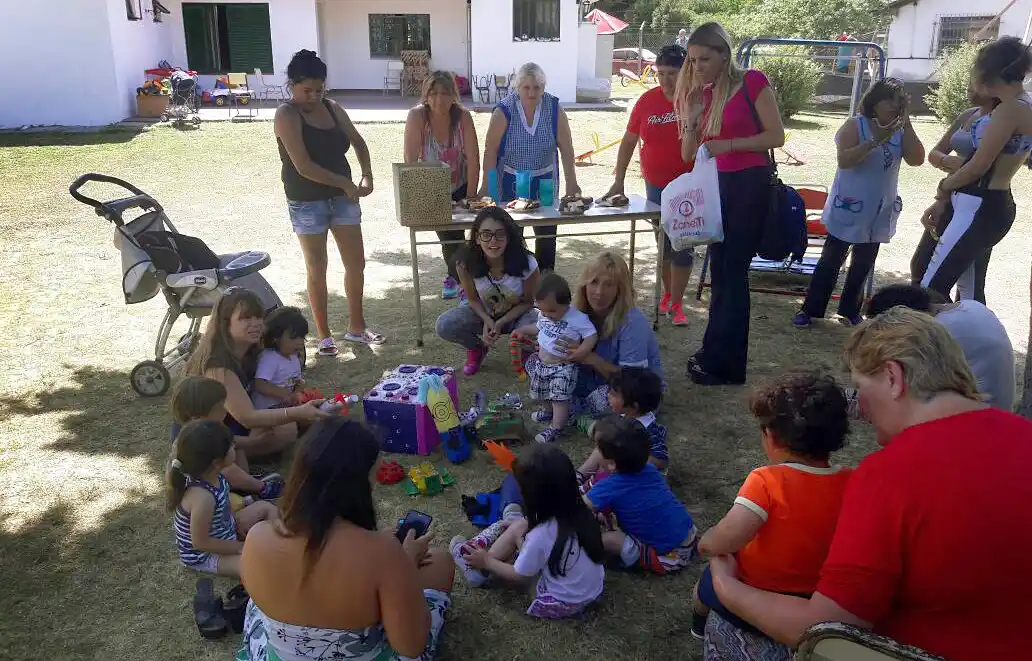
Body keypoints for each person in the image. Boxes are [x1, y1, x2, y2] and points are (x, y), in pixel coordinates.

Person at [707, 307, 1032, 661]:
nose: (860, 408)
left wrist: (726, 587)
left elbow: (825, 630)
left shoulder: (891, 475)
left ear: (893, 377)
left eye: (861, 388)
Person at [238, 418, 455, 661]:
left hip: (277, 654)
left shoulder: (257, 537)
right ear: (358, 484)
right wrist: (406, 567)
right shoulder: (383, 553)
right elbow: (411, 646)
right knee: (440, 562)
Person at [690, 372, 852, 661]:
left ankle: (699, 628)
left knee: (704, 586)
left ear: (772, 437)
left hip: (754, 593)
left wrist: (707, 542)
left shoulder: (766, 481)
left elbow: (729, 536)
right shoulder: (853, 481)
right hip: (816, 596)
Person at [675, 22, 786, 386]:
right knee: (719, 270)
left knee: (733, 271)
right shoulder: (704, 94)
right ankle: (714, 352)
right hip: (717, 187)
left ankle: (728, 364)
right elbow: (687, 154)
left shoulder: (752, 81)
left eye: (704, 59)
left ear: (724, 55)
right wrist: (692, 120)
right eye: (692, 60)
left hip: (749, 185)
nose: (697, 67)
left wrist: (730, 145)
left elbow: (777, 135)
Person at [793, 78, 925, 328]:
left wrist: (906, 123)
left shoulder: (901, 130)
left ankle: (850, 310)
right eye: (890, 101)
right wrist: (876, 141)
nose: (895, 106)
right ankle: (810, 310)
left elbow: (916, 160)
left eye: (899, 102)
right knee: (830, 262)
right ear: (875, 103)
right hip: (849, 207)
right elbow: (844, 161)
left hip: (879, 210)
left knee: (863, 264)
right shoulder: (855, 125)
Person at [275, 49, 383, 355]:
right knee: (317, 267)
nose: (313, 96)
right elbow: (303, 166)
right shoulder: (286, 114)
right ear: (292, 85)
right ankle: (324, 336)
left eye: (319, 90)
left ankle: (357, 328)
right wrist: (345, 184)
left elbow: (358, 142)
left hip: (343, 198)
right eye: (306, 90)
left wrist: (366, 175)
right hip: (306, 200)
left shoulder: (333, 108)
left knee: (356, 263)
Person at [916, 37, 1032, 301]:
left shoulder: (1010, 109)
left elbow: (978, 166)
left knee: (930, 287)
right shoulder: (1023, 104)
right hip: (989, 202)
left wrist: (944, 186)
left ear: (990, 70)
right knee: (969, 293)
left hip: (979, 203)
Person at [452, 444, 605, 620]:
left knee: (516, 538)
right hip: (591, 592)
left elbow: (520, 576)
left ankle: (479, 568)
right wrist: (521, 538)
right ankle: (484, 563)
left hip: (560, 602)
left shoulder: (541, 534)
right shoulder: (583, 511)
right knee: (519, 527)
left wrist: (487, 561)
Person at [604, 45, 696, 326]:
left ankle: (677, 304)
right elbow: (629, 141)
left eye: (672, 73)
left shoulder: (696, 100)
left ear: (685, 72)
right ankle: (667, 294)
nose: (666, 80)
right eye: (661, 73)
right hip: (655, 185)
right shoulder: (646, 101)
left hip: (688, 186)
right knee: (663, 243)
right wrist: (618, 180)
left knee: (684, 245)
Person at [183, 289, 328, 457]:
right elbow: (247, 417)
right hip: (207, 435)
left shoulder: (253, 350)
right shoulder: (218, 366)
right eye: (246, 318)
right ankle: (234, 454)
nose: (256, 323)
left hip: (238, 420)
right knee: (286, 429)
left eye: (259, 317)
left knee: (301, 420)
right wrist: (296, 412)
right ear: (225, 322)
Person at [914, 79, 1007, 303]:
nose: (969, 86)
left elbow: (985, 167)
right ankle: (933, 319)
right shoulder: (968, 115)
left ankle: (960, 321)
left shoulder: (1002, 119)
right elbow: (935, 153)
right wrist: (948, 164)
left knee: (968, 282)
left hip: (980, 204)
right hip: (951, 196)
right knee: (921, 265)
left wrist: (966, 167)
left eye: (976, 82)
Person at [480, 62, 581, 272]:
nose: (532, 92)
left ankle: (545, 278)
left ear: (544, 88)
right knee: (512, 235)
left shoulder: (554, 109)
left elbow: (566, 147)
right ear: (518, 87)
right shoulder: (504, 111)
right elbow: (490, 151)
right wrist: (487, 186)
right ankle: (515, 279)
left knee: (546, 234)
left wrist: (572, 183)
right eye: (526, 87)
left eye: (537, 87)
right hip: (512, 180)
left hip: (545, 180)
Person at [865, 284, 1015, 410]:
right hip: (999, 410)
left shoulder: (933, 331)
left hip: (975, 419)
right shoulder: (973, 306)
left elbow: (902, 388)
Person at [584, 415, 698, 575]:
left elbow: (578, 507)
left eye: (598, 450)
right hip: (689, 536)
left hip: (670, 556)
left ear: (612, 463)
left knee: (609, 539)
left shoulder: (610, 487)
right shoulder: (650, 469)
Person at [435, 207, 540, 375]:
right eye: (486, 234)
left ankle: (526, 351)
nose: (493, 241)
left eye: (500, 234)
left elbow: (528, 302)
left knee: (541, 321)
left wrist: (501, 321)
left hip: (518, 315)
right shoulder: (464, 263)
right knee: (445, 324)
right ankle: (477, 348)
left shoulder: (528, 263)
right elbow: (473, 299)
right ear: (477, 238)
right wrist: (487, 320)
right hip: (484, 312)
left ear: (509, 237)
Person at [403, 71, 481, 300]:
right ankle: (458, 279)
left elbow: (474, 160)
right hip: (431, 186)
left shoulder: (463, 117)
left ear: (453, 96)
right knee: (449, 234)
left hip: (461, 183)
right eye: (434, 93)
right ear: (426, 95)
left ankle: (460, 279)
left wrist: (470, 198)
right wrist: (417, 197)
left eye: (445, 93)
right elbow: (409, 161)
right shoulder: (417, 116)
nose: (439, 99)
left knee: (460, 233)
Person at [169, 420, 279, 578]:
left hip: (226, 530)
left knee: (265, 507)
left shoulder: (214, 474)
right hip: (205, 555)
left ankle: (279, 543)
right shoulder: (202, 498)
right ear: (216, 462)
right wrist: (240, 547)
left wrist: (233, 521)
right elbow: (200, 542)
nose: (235, 447)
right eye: (231, 446)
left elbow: (223, 506)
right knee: (257, 568)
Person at [568, 252, 663, 419]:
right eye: (594, 282)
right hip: (593, 381)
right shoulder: (576, 313)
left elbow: (632, 381)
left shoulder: (633, 321)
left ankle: (582, 416)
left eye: (609, 284)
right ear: (584, 285)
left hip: (633, 388)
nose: (599, 292)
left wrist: (590, 358)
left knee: (607, 402)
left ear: (620, 289)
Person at [514, 273, 598, 443]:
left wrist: (582, 352)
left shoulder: (577, 318)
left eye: (552, 310)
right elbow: (538, 327)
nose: (547, 315)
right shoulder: (545, 314)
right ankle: (547, 412)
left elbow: (591, 335)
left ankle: (556, 428)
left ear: (566, 303)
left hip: (563, 367)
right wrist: (522, 330)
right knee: (542, 392)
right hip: (542, 363)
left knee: (559, 399)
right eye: (543, 310)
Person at [171, 376, 284, 502]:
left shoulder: (201, 427)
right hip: (202, 491)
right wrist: (260, 486)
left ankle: (246, 486)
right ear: (198, 416)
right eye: (219, 407)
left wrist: (252, 442)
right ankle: (259, 488)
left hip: (211, 479)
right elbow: (227, 470)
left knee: (234, 447)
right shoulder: (197, 439)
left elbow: (231, 440)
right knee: (228, 465)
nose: (225, 410)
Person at [579, 367, 668, 474]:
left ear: (634, 406)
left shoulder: (651, 431)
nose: (608, 396)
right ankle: (581, 474)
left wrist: (630, 461)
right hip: (617, 464)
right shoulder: (623, 417)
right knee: (602, 448)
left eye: (614, 394)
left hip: (634, 473)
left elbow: (661, 460)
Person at [252, 306, 308, 410]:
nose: (300, 341)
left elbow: (297, 381)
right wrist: (283, 394)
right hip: (268, 409)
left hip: (285, 407)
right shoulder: (270, 358)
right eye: (294, 337)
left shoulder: (294, 357)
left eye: (302, 337)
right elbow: (260, 384)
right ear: (275, 338)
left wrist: (297, 391)